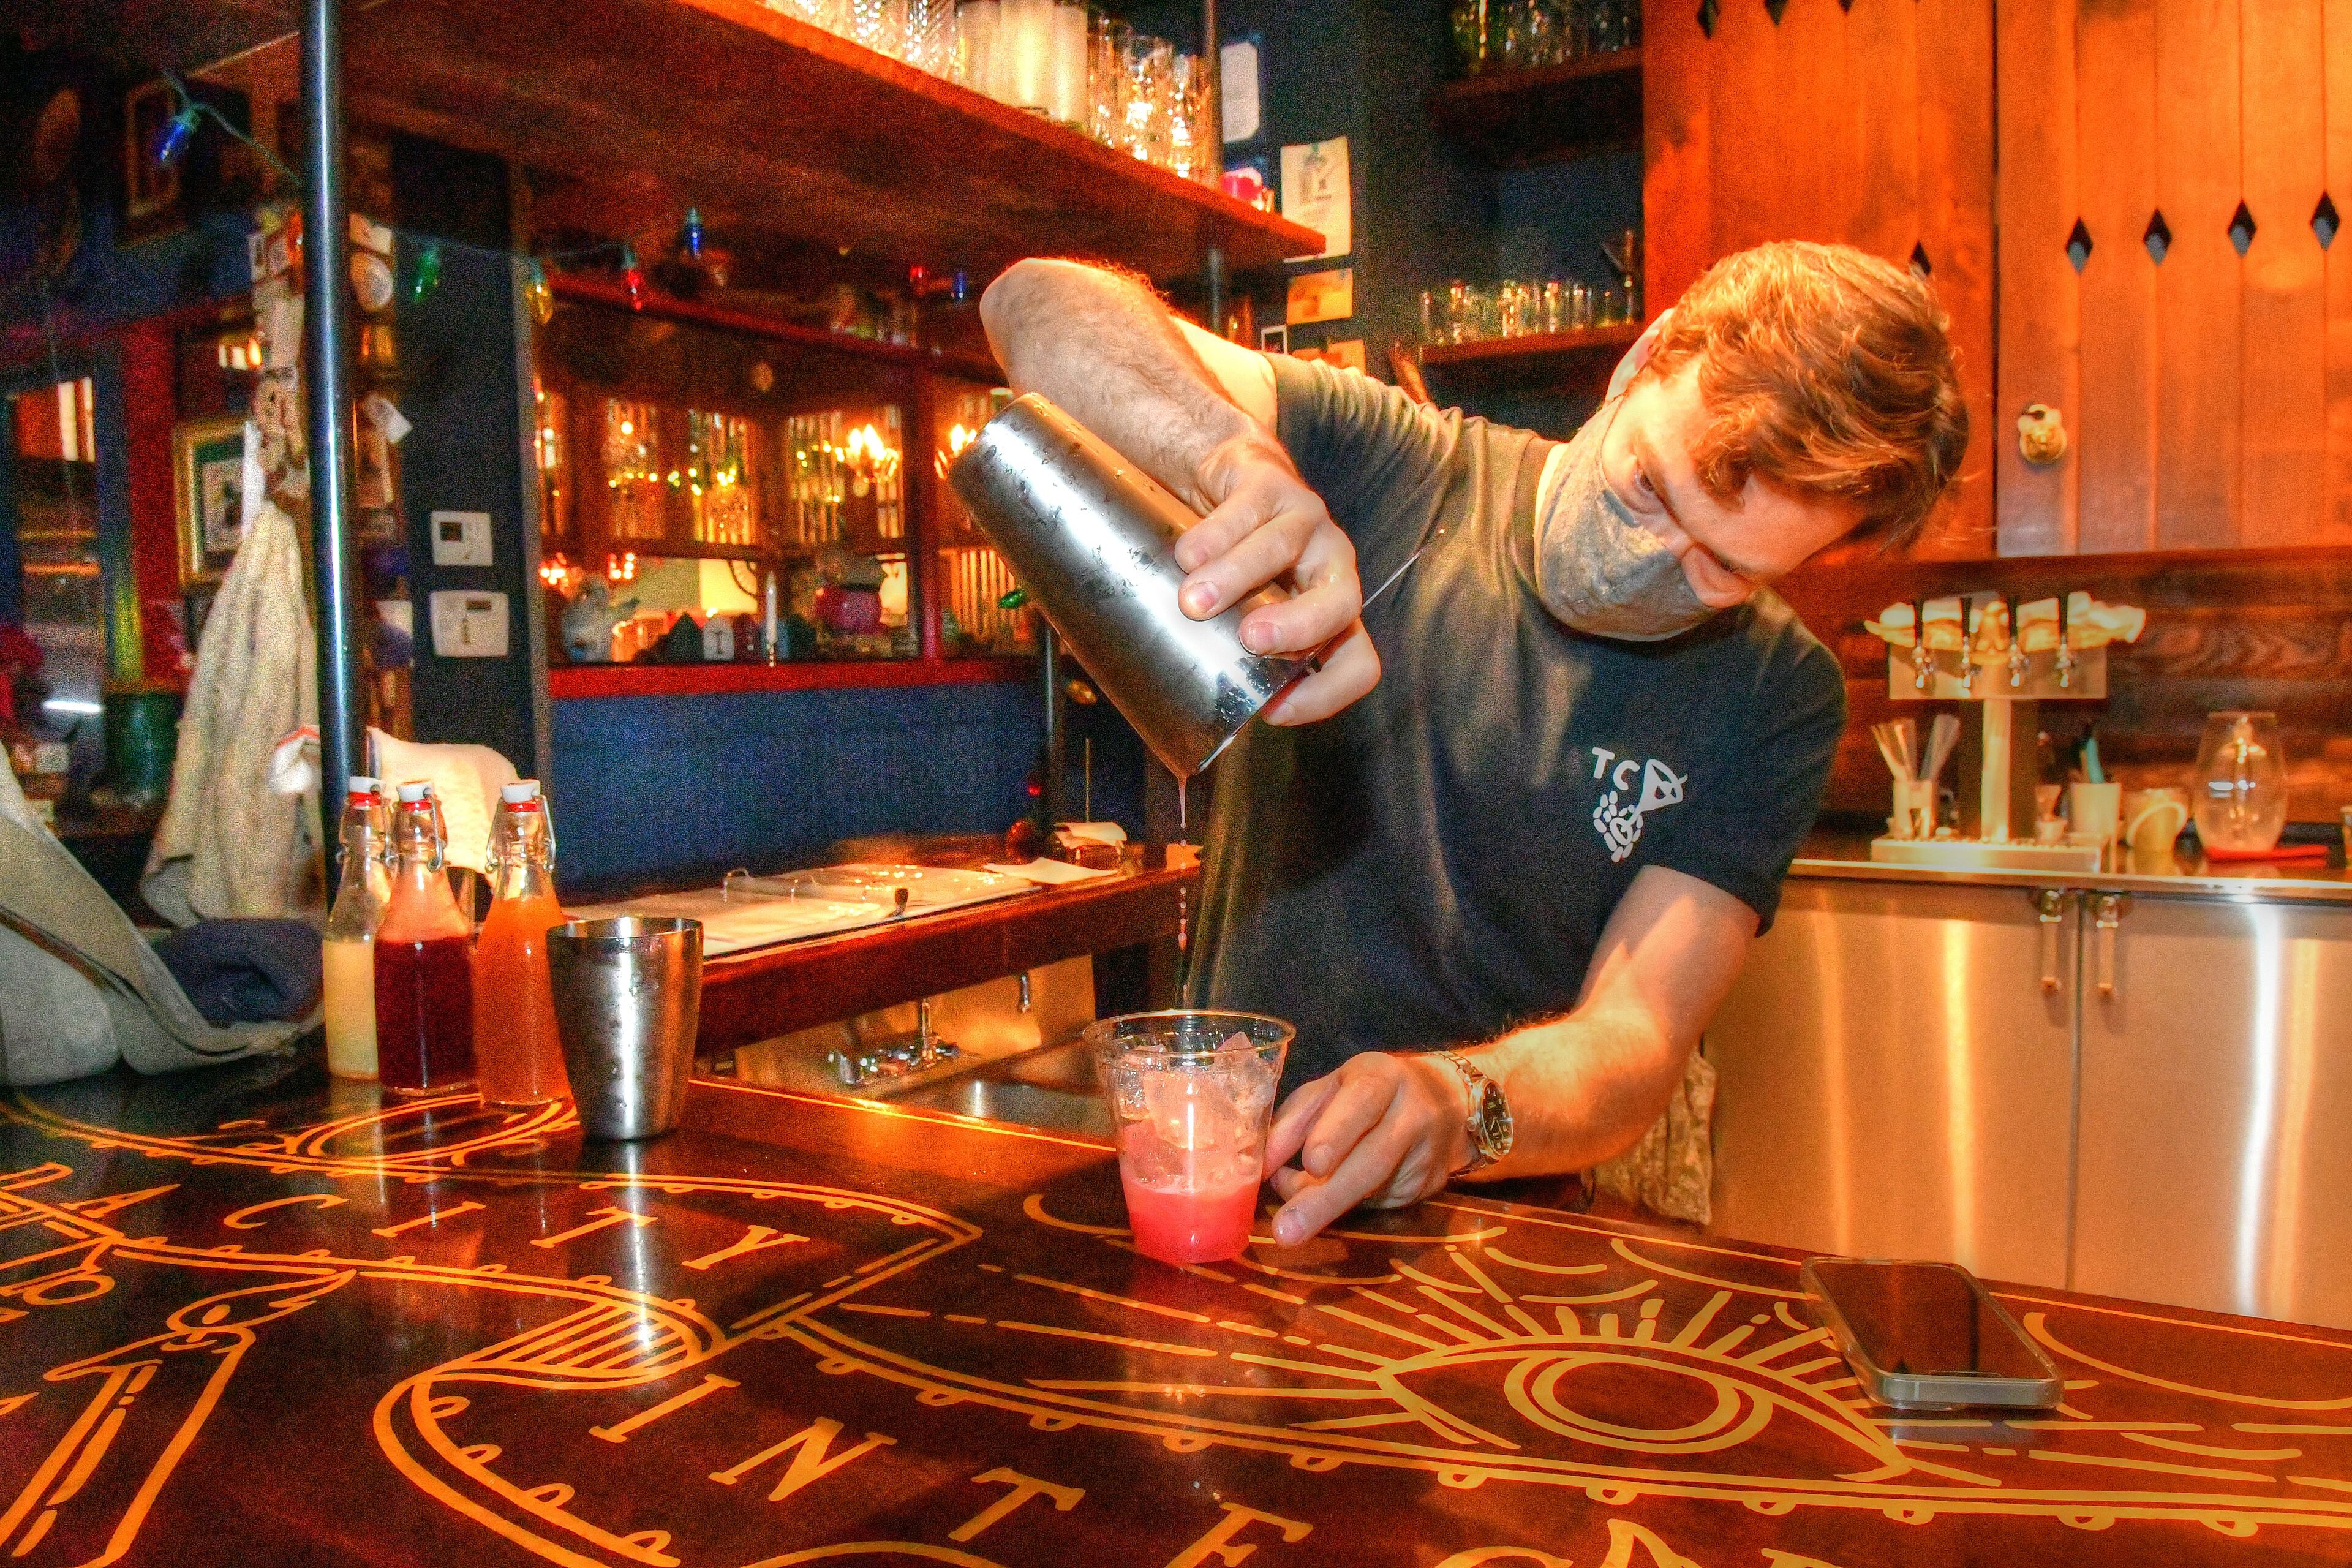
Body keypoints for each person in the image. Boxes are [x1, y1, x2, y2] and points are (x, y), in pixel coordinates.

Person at [981, 241, 1969, 1246]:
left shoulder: (1776, 691)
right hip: (1233, 1176)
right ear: (1649, 356)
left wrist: (1458, 1103)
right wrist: (1236, 463)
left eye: (1724, 569)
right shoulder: (1397, 462)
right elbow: (1036, 303)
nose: (1653, 565)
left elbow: (1637, 1035)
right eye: (1646, 490)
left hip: (1497, 1229)